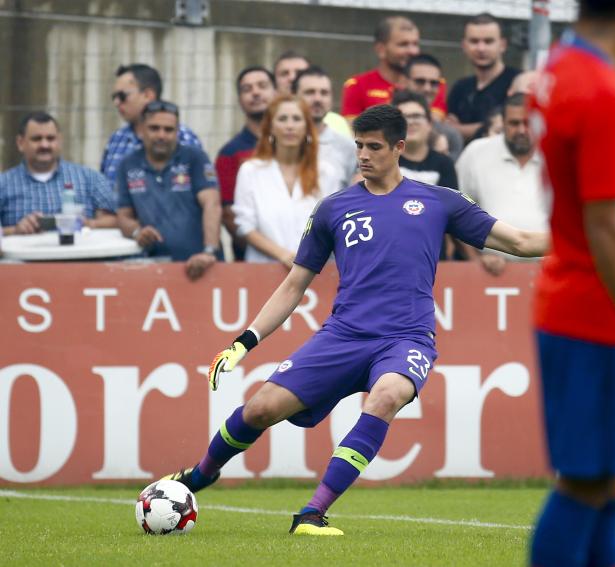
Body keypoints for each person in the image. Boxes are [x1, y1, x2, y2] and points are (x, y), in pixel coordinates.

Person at [163, 104, 548, 536]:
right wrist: (245, 341)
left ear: (399, 148)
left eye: (374, 147)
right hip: (343, 335)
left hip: (407, 338)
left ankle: (312, 513)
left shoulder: (439, 202)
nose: (364, 155)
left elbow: (519, 241)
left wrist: (584, 239)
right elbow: (294, 284)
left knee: (385, 396)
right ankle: (199, 477)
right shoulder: (334, 209)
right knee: (259, 409)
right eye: (359, 146)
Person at [527, 1, 615, 565]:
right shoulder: (602, 92)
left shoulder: (558, 68)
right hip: (595, 311)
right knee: (587, 482)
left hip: (577, 298)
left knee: (613, 480)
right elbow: (605, 221)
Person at [116, 101, 222, 281]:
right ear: (142, 129)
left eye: (168, 129)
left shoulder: (194, 158)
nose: (161, 135)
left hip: (201, 267)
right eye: (154, 128)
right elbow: (123, 215)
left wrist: (208, 252)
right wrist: (137, 232)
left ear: (177, 131)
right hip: (153, 270)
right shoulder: (128, 164)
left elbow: (212, 204)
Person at [231, 95, 339, 265]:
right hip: (263, 270)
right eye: (282, 119)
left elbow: (332, 225)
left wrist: (305, 260)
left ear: (307, 127)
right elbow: (245, 226)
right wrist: (283, 256)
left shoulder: (326, 172)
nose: (290, 126)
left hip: (316, 272)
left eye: (296, 119)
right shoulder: (250, 171)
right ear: (271, 127)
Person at [456, 93, 548, 275]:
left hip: (548, 269)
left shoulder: (558, 154)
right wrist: (476, 261)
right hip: (491, 272)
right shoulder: (476, 153)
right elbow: (456, 215)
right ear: (503, 122)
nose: (522, 130)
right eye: (514, 123)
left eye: (528, 123)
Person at [1, 112, 117, 235]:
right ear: (20, 143)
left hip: (79, 253)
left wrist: (85, 224)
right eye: (36, 139)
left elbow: (115, 221)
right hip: (25, 253)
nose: (44, 145)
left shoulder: (90, 178)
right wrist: (16, 230)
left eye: (50, 138)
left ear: (59, 140)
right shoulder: (3, 184)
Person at [101, 63, 202, 185]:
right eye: (114, 97)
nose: (117, 102)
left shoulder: (184, 138)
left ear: (147, 95)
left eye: (122, 96)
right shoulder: (116, 139)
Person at [216, 65, 276, 261]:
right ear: (240, 100)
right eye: (247, 89)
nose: (255, 92)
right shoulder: (229, 153)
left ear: (276, 92)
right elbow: (228, 213)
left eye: (262, 86)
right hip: (252, 260)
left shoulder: (295, 145)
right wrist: (259, 248)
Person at [341, 16, 447, 124]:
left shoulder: (433, 83)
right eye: (403, 44)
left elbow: (433, 124)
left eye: (415, 44)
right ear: (381, 49)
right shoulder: (357, 85)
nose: (413, 51)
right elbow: (352, 129)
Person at [446, 12, 519, 143]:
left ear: (502, 45)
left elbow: (507, 127)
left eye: (488, 41)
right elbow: (449, 130)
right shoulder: (460, 87)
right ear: (464, 45)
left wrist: (459, 129)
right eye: (474, 41)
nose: (481, 48)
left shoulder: (516, 82)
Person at [293, 66, 358, 191]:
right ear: (294, 96)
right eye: (310, 92)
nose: (318, 99)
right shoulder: (277, 144)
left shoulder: (348, 148)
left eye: (324, 93)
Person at [392, 90, 458, 190]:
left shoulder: (445, 164)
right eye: (403, 117)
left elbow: (452, 204)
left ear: (430, 123)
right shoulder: (384, 160)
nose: (410, 122)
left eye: (416, 116)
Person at [406, 54, 464, 160]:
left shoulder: (450, 135)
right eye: (420, 81)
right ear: (404, 81)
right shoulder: (384, 124)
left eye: (434, 83)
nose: (427, 88)